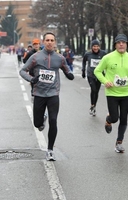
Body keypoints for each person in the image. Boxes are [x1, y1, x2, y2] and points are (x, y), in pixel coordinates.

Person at [19, 32, 75, 161]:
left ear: (55, 42)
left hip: (53, 94)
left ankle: (50, 150)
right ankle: (42, 118)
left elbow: (67, 70)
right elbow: (22, 71)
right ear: (43, 42)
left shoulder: (60, 58)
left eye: (52, 40)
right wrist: (31, 79)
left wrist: (70, 75)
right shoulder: (35, 57)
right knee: (37, 123)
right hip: (39, 94)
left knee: (54, 120)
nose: (50, 42)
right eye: (47, 40)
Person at [94, 34, 128, 153]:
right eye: (119, 42)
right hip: (112, 93)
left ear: (126, 45)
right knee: (115, 118)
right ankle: (109, 120)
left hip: (126, 93)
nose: (121, 44)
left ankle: (119, 142)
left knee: (124, 118)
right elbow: (97, 71)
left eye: (123, 42)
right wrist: (105, 81)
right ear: (115, 44)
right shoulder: (108, 57)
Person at [82, 39, 107, 116]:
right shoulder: (88, 54)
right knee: (93, 89)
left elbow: (108, 62)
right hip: (91, 75)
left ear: (99, 47)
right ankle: (92, 105)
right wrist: (83, 71)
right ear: (91, 47)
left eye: (97, 46)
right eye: (94, 46)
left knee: (96, 91)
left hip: (99, 75)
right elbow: (84, 61)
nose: (95, 48)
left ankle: (94, 106)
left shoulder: (103, 54)